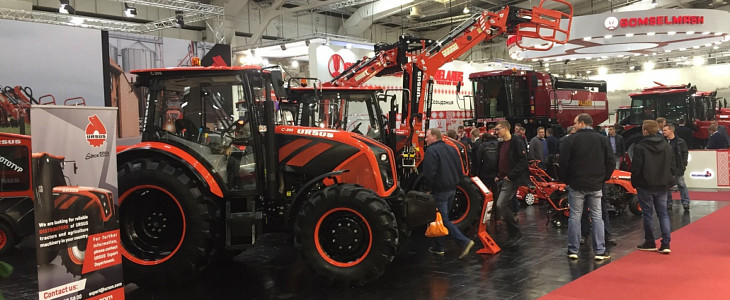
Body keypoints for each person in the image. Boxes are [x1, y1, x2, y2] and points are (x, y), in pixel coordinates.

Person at [559, 113, 614, 261]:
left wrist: (566, 180)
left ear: (582, 123)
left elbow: (563, 163)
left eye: (575, 123)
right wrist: (603, 178)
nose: (574, 125)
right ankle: (600, 251)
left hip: (576, 184)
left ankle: (573, 250)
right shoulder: (602, 139)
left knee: (575, 216)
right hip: (596, 184)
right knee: (597, 216)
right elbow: (611, 161)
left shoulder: (570, 140)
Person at [423, 128, 475, 258]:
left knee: (443, 219)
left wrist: (427, 188)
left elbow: (430, 172)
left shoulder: (431, 151)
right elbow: (459, 168)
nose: (425, 139)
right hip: (452, 188)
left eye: (427, 136)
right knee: (439, 218)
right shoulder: (451, 149)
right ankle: (438, 247)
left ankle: (464, 242)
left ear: (434, 136)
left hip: (440, 190)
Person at [632, 120, 676, 254]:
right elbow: (673, 166)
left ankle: (650, 241)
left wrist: (635, 183)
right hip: (663, 185)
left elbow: (636, 168)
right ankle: (666, 243)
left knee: (648, 214)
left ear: (645, 131)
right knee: (663, 214)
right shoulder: (667, 146)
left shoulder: (640, 147)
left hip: (645, 185)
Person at [493, 120, 529, 248]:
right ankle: (513, 233)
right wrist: (498, 175)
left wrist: (510, 176)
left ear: (505, 128)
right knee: (502, 205)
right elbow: (500, 160)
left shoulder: (517, 142)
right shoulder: (501, 144)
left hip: (510, 179)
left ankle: (515, 232)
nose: (496, 132)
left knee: (500, 205)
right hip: (502, 178)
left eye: (498, 129)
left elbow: (523, 162)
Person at [663, 123, 690, 211]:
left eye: (665, 130)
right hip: (666, 168)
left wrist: (683, 164)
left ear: (671, 130)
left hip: (678, 167)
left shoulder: (680, 141)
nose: (663, 132)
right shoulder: (662, 141)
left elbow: (685, 153)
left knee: (681, 184)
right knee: (666, 186)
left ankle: (685, 203)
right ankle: (669, 203)